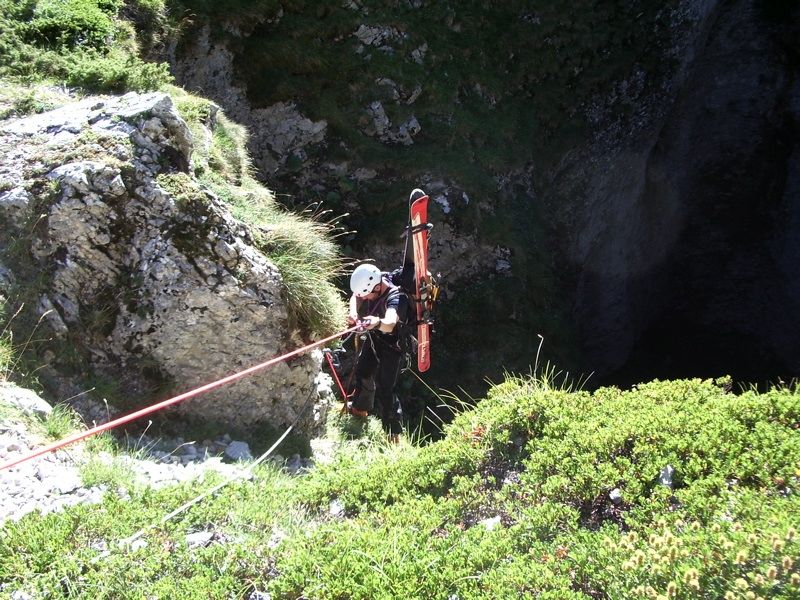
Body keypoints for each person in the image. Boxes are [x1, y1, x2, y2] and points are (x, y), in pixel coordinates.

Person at [346, 263, 410, 441]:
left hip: (394, 346)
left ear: (377, 287)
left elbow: (390, 323)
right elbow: (357, 295)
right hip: (375, 337)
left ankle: (394, 434)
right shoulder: (376, 278)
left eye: (367, 295)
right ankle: (359, 409)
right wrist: (353, 313)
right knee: (363, 371)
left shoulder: (397, 298)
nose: (365, 298)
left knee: (386, 388)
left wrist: (376, 322)